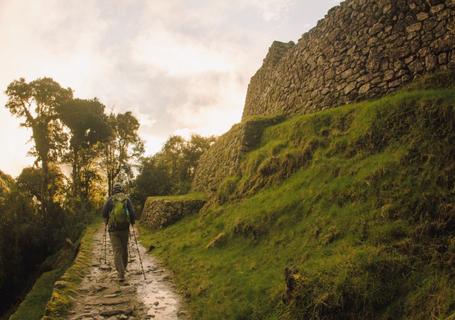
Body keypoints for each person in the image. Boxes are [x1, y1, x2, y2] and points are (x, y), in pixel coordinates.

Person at [102, 182, 136, 282]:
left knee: (117, 251)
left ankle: (121, 274)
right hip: (125, 229)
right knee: (124, 249)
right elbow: (132, 213)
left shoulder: (110, 200)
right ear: (122, 190)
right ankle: (124, 268)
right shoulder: (126, 199)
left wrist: (106, 222)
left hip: (113, 230)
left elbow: (104, 213)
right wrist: (133, 222)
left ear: (113, 190)